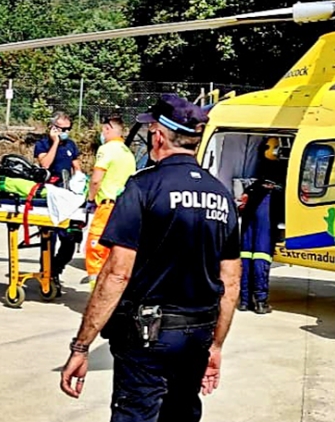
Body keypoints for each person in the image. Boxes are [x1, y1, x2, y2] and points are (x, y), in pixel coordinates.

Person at [60, 94, 242, 422]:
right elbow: (230, 280)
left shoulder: (143, 187)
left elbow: (117, 274)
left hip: (147, 337)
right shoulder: (222, 195)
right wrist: (216, 345)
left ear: (157, 136)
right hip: (196, 336)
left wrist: (81, 345)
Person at [84, 114, 136, 288]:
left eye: (103, 130)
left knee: (96, 250)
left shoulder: (107, 150)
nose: (102, 134)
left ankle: (96, 292)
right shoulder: (128, 153)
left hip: (107, 207)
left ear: (108, 129)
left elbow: (96, 180)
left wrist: (90, 198)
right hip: (125, 209)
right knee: (115, 252)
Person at [238, 138, 286, 315]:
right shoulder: (280, 176)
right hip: (265, 219)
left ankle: (244, 301)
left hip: (250, 217)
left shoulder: (254, 177)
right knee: (261, 257)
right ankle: (260, 301)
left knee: (246, 257)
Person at [35, 110, 82, 284]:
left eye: (68, 129)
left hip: (67, 193)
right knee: (49, 238)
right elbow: (45, 163)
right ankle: (46, 272)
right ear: (53, 128)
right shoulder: (42, 144)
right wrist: (54, 142)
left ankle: (55, 268)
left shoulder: (71, 145)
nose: (65, 132)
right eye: (62, 129)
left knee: (70, 237)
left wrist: (80, 180)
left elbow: (76, 166)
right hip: (50, 194)